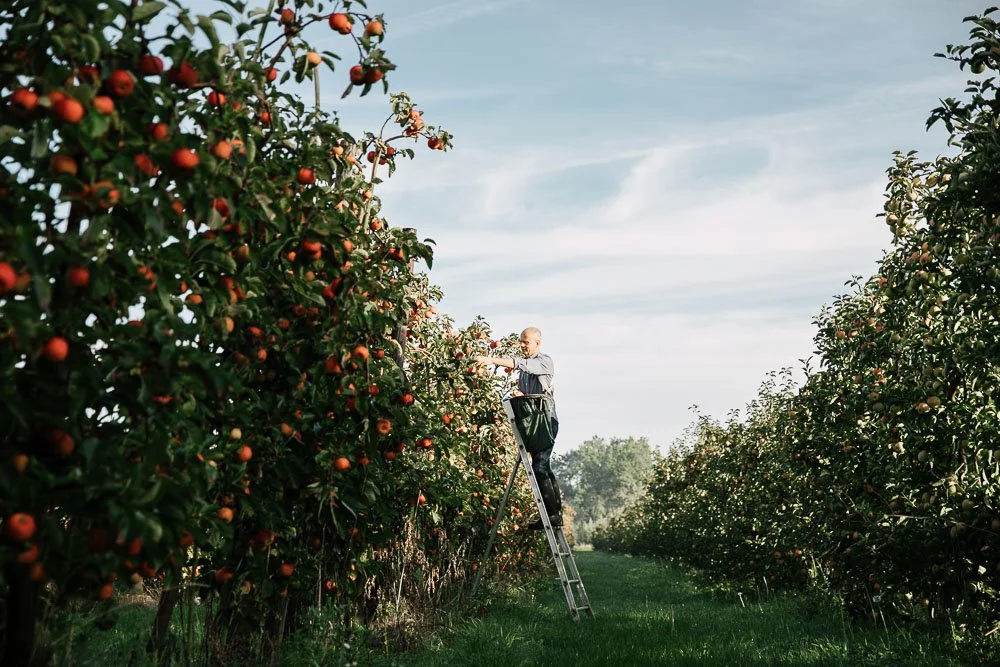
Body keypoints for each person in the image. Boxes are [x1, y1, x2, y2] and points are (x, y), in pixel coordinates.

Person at [474, 327, 562, 529]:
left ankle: (553, 516)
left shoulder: (544, 361)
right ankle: (555, 514)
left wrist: (491, 360)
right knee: (543, 466)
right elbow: (526, 391)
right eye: (521, 342)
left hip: (546, 421)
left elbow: (519, 364)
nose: (522, 345)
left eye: (526, 342)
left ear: (537, 343)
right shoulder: (524, 372)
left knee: (540, 467)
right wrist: (519, 394)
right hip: (532, 423)